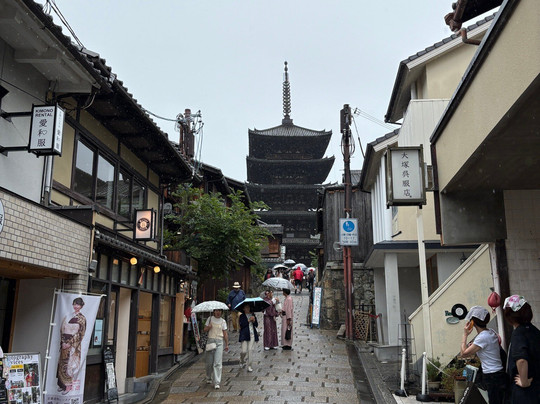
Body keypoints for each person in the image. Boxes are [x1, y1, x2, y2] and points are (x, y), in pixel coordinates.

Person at [460, 306, 507, 404]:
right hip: (498, 374)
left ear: (473, 322)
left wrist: (465, 335)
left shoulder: (482, 337)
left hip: (492, 375)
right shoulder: (490, 332)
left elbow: (463, 354)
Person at [503, 295, 540, 403]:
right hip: (536, 385)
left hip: (524, 391)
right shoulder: (534, 331)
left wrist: (524, 382)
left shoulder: (518, 333)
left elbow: (521, 360)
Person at [57, 297, 86, 395]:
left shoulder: (82, 318)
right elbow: (62, 329)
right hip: (64, 342)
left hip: (73, 345)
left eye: (78, 304)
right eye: (74, 304)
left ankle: (68, 386)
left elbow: (81, 334)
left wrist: (70, 343)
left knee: (69, 365)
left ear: (81, 306)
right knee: (62, 364)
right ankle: (62, 385)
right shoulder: (68, 315)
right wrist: (63, 342)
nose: (76, 306)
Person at [203, 308, 229, 389]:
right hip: (210, 342)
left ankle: (217, 382)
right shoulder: (210, 319)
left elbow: (225, 333)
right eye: (216, 311)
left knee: (217, 363)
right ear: (214, 311)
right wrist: (209, 327)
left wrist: (226, 344)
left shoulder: (223, 321)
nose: (218, 312)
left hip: (219, 342)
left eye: (219, 311)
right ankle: (208, 377)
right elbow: (204, 329)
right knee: (209, 362)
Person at [238, 303, 259, 372]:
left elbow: (256, 325)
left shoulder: (253, 315)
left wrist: (254, 321)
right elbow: (242, 325)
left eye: (248, 307)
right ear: (243, 309)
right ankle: (242, 359)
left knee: (250, 350)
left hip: (252, 334)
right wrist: (248, 320)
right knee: (244, 351)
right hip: (244, 335)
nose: (247, 309)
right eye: (246, 307)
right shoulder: (242, 316)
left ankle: (249, 365)